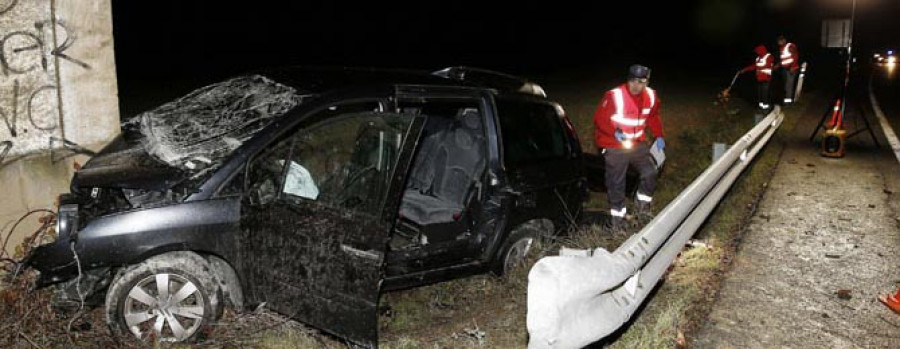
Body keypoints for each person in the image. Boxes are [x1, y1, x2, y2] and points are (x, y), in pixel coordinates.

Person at [593, 64, 665, 232]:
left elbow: (653, 116)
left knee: (650, 172)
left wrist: (659, 135)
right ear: (628, 79)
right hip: (615, 144)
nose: (636, 85)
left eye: (640, 81)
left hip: (637, 143)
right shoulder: (614, 95)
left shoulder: (651, 96)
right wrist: (615, 132)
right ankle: (618, 221)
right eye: (632, 80)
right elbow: (600, 119)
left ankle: (642, 210)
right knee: (616, 182)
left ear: (647, 82)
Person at [741, 44, 774, 111]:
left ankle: (765, 107)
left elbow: (768, 65)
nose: (757, 52)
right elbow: (754, 66)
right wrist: (745, 69)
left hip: (766, 77)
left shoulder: (769, 56)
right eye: (756, 51)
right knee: (760, 93)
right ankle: (761, 106)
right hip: (759, 78)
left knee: (765, 92)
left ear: (761, 50)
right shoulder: (758, 58)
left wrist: (757, 67)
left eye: (757, 51)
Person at [777, 35, 800, 104]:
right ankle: (787, 99)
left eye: (779, 41)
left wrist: (792, 67)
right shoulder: (782, 48)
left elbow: (795, 56)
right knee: (786, 85)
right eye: (778, 42)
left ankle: (788, 101)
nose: (778, 43)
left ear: (784, 40)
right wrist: (778, 65)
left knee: (789, 85)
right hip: (785, 69)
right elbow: (784, 59)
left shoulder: (790, 46)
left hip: (791, 68)